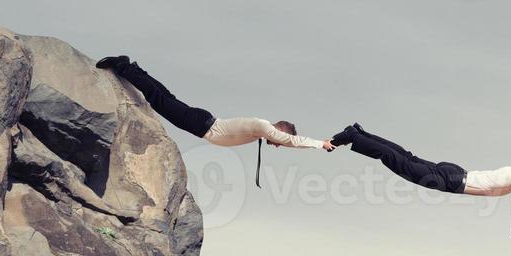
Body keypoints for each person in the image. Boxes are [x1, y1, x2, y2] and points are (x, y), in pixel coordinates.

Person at [95, 55, 334, 152]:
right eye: (278, 141)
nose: (277, 145)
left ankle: (132, 67)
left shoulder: (261, 131)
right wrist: (319, 144)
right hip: (202, 124)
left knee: (163, 97)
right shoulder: (263, 127)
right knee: (159, 99)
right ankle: (123, 66)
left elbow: (287, 141)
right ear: (281, 129)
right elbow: (291, 140)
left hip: (202, 122)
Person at [332, 124, 511, 197]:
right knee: (396, 160)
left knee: (405, 157)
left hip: (454, 174)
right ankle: (355, 137)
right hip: (450, 179)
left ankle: (359, 133)